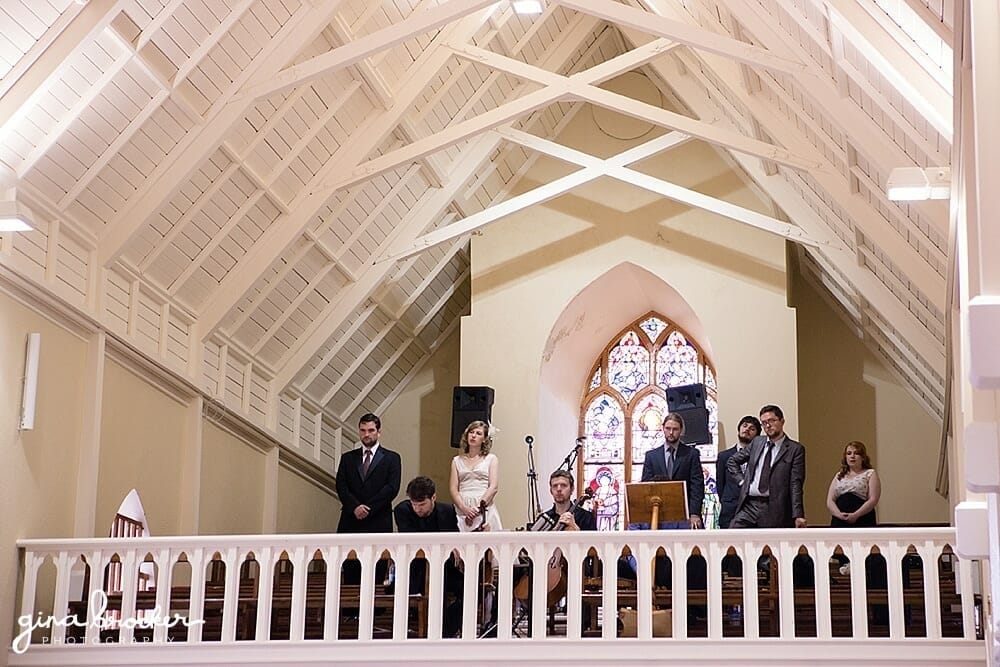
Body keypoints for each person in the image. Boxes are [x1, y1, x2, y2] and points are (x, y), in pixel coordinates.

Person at [393, 476, 463, 637]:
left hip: (445, 569)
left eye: (422, 504)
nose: (417, 509)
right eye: (414, 504)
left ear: (434, 498)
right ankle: (431, 630)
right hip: (415, 570)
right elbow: (410, 537)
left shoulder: (447, 511)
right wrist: (444, 544)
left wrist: (452, 545)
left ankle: (444, 631)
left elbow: (455, 538)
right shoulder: (402, 510)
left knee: (469, 590)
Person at [727, 404, 806, 529]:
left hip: (774, 507)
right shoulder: (757, 442)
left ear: (782, 421)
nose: (768, 426)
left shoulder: (794, 449)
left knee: (769, 546)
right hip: (750, 504)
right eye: (764, 423)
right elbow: (732, 461)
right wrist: (742, 482)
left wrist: (798, 515)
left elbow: (795, 484)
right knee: (733, 534)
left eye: (771, 421)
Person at [336, 412, 402, 534]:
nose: (366, 434)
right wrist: (355, 507)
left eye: (371, 430)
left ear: (379, 432)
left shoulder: (392, 458)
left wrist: (367, 508)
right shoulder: (347, 458)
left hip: (379, 519)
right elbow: (341, 485)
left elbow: (392, 488)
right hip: (350, 519)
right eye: (363, 430)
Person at [640, 412, 704, 529]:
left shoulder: (691, 454)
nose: (671, 432)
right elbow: (646, 485)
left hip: (684, 513)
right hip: (659, 513)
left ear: (681, 431)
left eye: (675, 429)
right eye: (668, 428)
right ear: (663, 429)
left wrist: (694, 513)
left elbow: (697, 486)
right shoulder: (651, 456)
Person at [450, 420, 502, 531]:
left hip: (484, 506)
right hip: (463, 507)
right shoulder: (456, 460)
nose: (473, 436)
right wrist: (464, 509)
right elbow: (453, 488)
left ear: (484, 439)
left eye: (478, 433)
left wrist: (478, 508)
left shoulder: (491, 459)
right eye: (471, 432)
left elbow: (493, 486)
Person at [716, 416, 762, 529]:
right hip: (730, 509)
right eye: (744, 426)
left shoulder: (761, 456)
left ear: (757, 435)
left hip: (753, 510)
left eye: (752, 428)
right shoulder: (724, 456)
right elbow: (720, 484)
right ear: (739, 429)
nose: (747, 429)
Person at [827, 441, 880, 527]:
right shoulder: (839, 475)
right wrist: (839, 514)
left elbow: (873, 499)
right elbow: (830, 500)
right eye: (849, 453)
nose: (852, 456)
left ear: (863, 457)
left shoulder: (870, 473)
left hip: (862, 518)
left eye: (856, 453)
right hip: (840, 520)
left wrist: (856, 515)